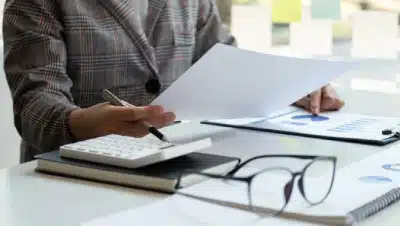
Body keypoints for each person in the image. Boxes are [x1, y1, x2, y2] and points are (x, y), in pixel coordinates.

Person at [3, 0, 344, 163]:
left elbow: (227, 63)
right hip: (69, 179)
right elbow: (35, 107)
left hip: (175, 168)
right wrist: (83, 123)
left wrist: (288, 85)